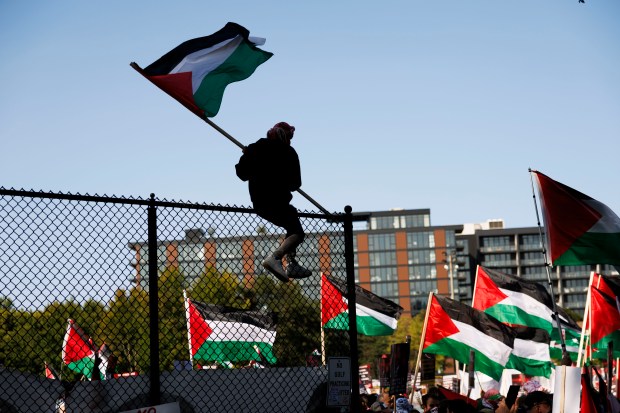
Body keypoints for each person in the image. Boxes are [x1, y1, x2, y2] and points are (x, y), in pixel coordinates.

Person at [235, 121, 312, 282]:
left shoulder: (257, 147)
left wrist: (247, 155)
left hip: (259, 202)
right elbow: (295, 184)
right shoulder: (289, 152)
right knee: (297, 232)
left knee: (292, 222)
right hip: (278, 201)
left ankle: (291, 263)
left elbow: (242, 173)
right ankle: (276, 257)